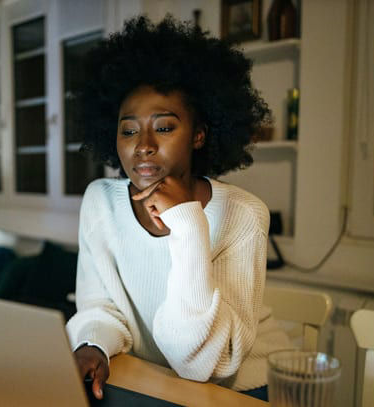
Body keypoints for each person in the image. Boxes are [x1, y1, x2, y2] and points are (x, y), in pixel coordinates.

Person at [65, 16, 291, 402]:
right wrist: (93, 344)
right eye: (129, 129)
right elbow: (101, 306)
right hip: (152, 382)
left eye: (165, 128)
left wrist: (187, 223)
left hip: (241, 391)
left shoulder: (244, 214)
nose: (144, 145)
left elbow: (201, 365)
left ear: (199, 134)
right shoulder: (101, 201)